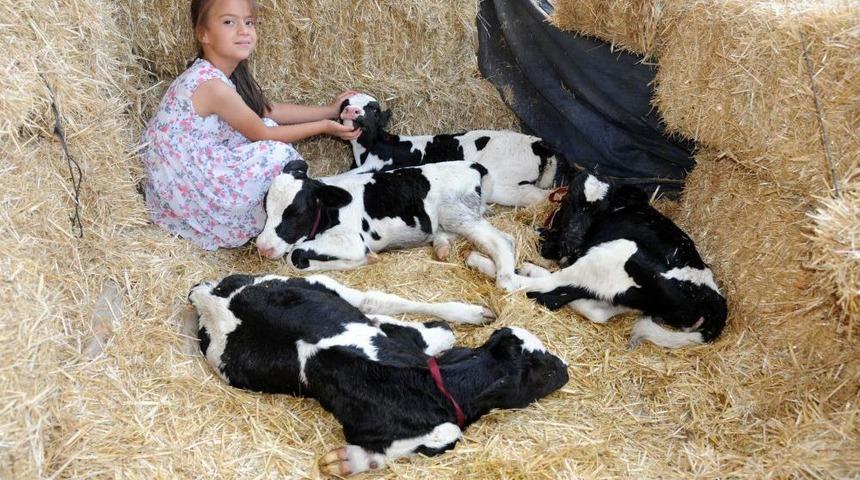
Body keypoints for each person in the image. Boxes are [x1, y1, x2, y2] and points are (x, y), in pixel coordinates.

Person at [140, 0, 360, 250]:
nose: (243, 30)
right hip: (187, 189)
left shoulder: (216, 76)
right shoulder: (212, 87)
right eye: (229, 22)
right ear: (203, 34)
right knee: (279, 153)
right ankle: (298, 222)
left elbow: (267, 111)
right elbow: (264, 133)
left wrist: (330, 110)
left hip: (182, 177)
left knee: (262, 126)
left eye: (249, 22)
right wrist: (324, 126)